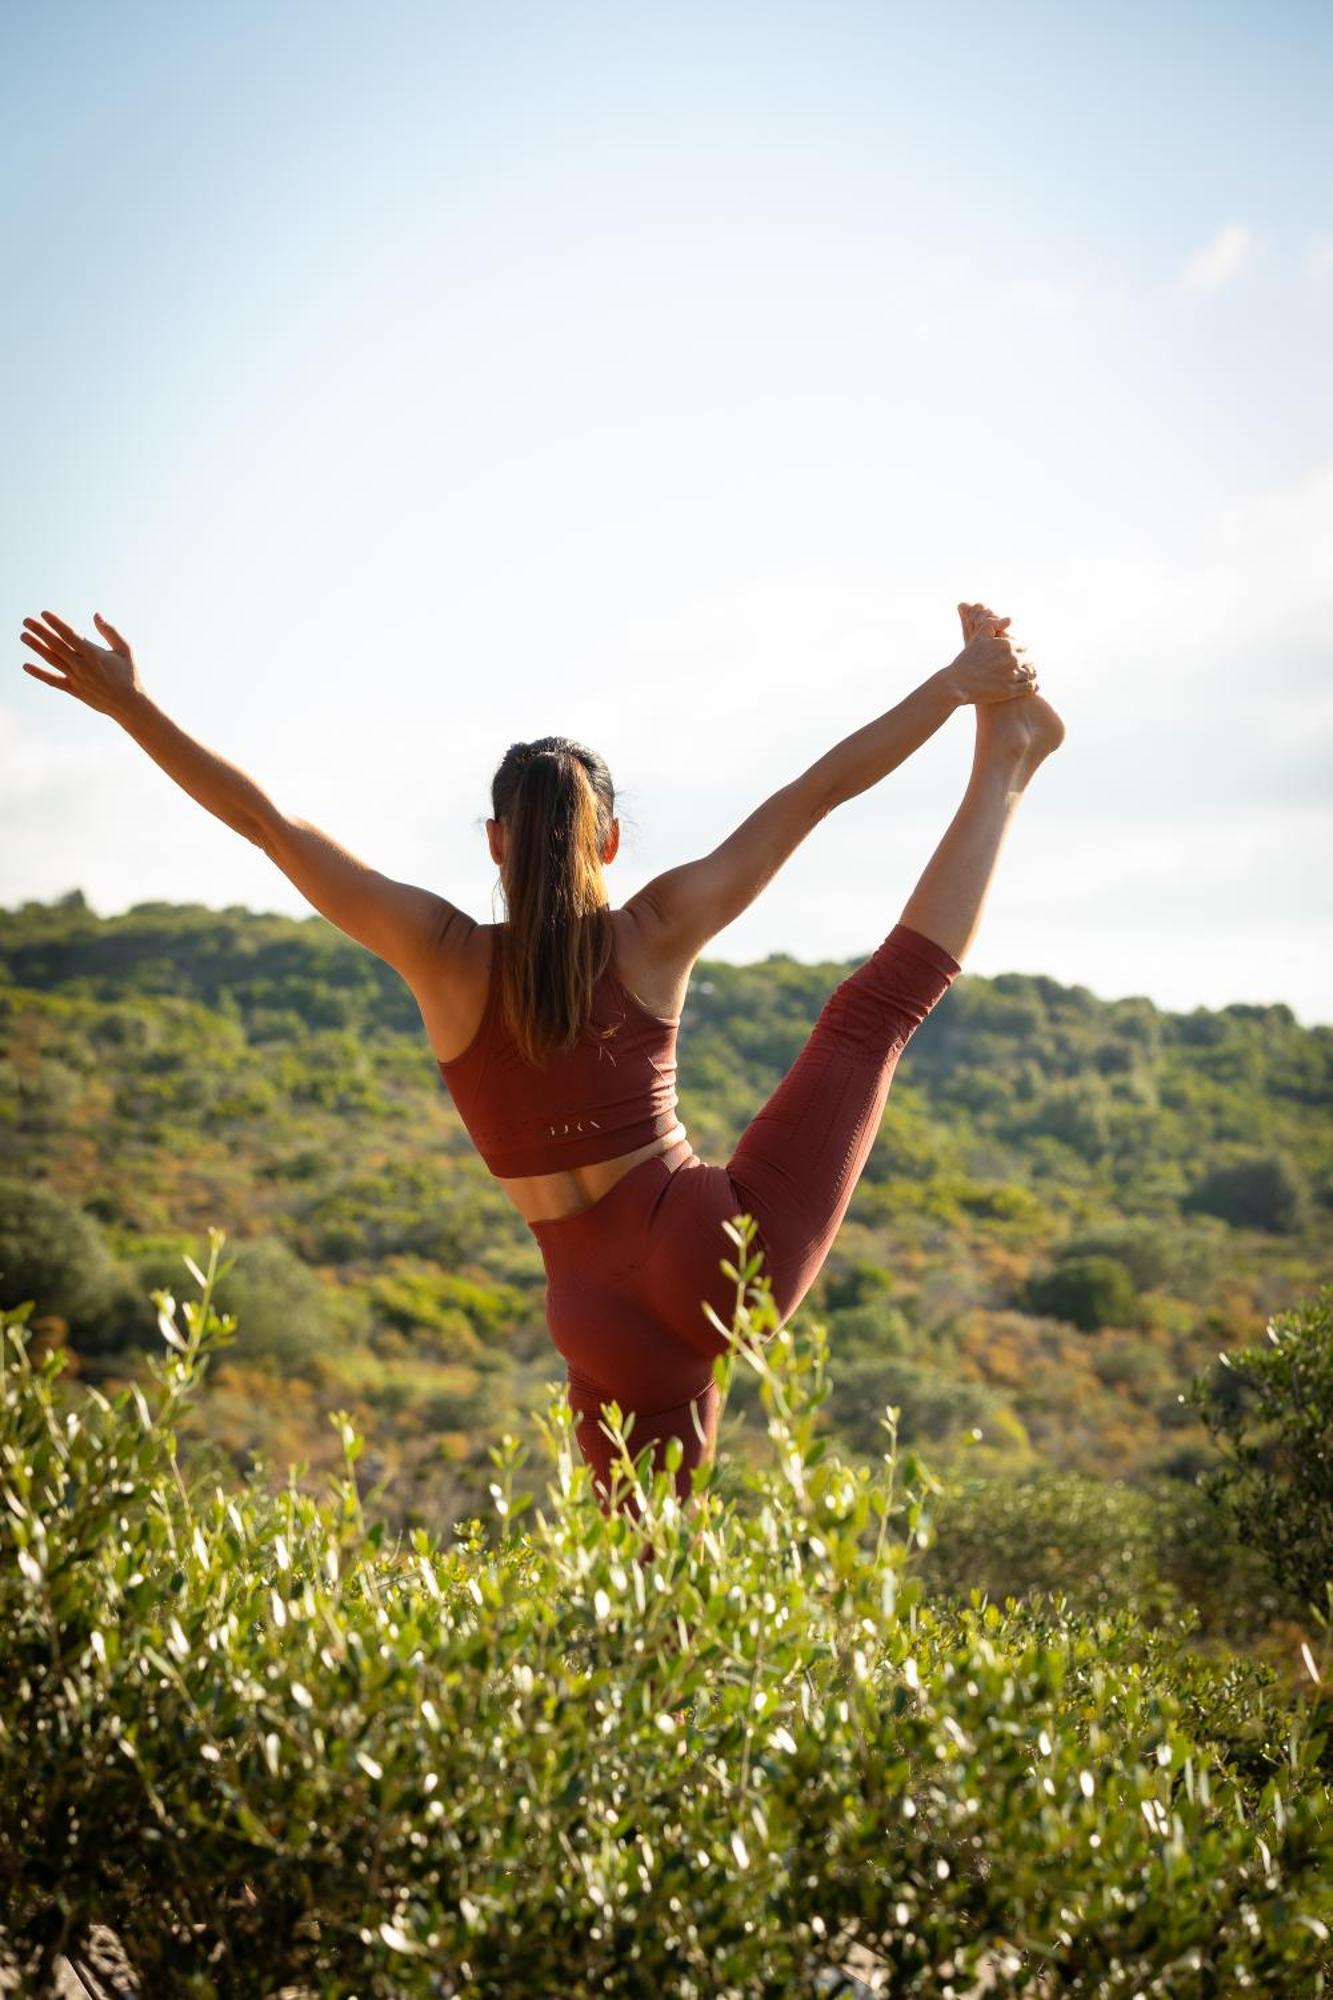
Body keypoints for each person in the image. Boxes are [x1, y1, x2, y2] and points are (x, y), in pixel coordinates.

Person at [19, 601, 1064, 1521]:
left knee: (640, 1590)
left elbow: (266, 823)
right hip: (713, 1249)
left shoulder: (440, 955)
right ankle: (1004, 761)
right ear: (606, 840)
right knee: (869, 1011)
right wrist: (950, 687)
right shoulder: (653, 929)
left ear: (492, 843)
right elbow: (816, 790)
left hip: (597, 1323)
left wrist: (131, 708)